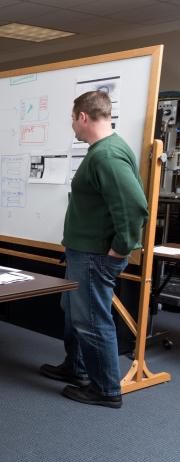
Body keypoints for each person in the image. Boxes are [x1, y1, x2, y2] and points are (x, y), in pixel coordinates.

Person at [41, 90, 148, 408]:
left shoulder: (107, 154)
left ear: (83, 117)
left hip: (95, 255)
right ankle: (77, 369)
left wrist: (120, 249)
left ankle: (106, 390)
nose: (72, 126)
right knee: (74, 311)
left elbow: (134, 206)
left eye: (73, 119)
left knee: (91, 318)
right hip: (83, 251)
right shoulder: (104, 149)